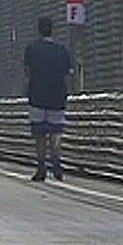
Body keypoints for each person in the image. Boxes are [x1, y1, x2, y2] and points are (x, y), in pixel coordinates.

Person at [23, 15, 74, 181]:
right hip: (58, 95)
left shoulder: (32, 49)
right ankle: (56, 159)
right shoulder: (62, 50)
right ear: (53, 29)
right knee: (56, 130)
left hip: (37, 95)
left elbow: (27, 72)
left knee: (39, 134)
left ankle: (41, 167)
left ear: (39, 30)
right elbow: (68, 72)